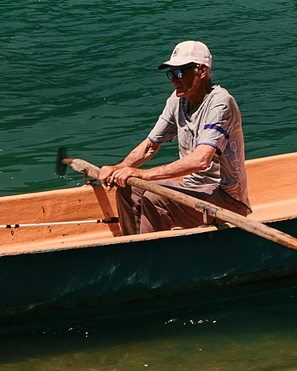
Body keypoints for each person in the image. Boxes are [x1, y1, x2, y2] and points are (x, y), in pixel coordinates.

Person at [98, 41, 252, 233]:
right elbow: (150, 146)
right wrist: (121, 168)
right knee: (128, 188)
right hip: (193, 191)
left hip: (227, 199)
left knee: (155, 199)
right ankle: (133, 246)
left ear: (202, 71)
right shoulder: (177, 100)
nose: (174, 80)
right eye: (171, 73)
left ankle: (149, 254)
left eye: (180, 73)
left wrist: (144, 173)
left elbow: (201, 160)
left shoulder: (221, 103)